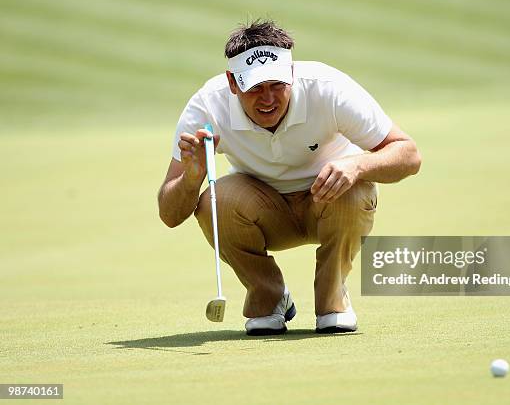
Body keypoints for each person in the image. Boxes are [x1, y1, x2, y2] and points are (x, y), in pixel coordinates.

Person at [157, 20, 421, 335]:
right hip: (261, 211)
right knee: (215, 200)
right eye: (255, 87)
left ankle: (332, 301)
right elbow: (169, 215)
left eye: (276, 85)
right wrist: (191, 178)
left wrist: (356, 166)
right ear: (232, 82)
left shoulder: (328, 87)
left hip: (329, 201)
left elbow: (408, 154)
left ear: (291, 75)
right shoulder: (207, 106)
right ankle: (269, 297)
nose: (267, 98)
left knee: (356, 187)